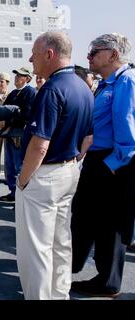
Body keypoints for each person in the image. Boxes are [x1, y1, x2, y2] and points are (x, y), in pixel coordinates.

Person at [15, 31, 94, 300]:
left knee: (35, 248)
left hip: (44, 176)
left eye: (35, 54)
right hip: (70, 171)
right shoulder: (83, 86)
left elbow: (39, 145)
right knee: (61, 242)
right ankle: (59, 294)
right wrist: (73, 162)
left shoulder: (51, 89)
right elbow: (89, 137)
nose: (31, 59)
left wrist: (23, 180)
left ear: (49, 54)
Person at [70, 33, 135, 298]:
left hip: (114, 163)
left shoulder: (126, 82)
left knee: (110, 225)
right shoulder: (107, 83)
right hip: (100, 159)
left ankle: (108, 282)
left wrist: (110, 166)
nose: (89, 57)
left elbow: (128, 133)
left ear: (113, 54)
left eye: (94, 52)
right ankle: (74, 264)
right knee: (86, 216)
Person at [0, 67, 36, 202]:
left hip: (20, 134)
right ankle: (13, 193)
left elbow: (27, 114)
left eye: (20, 76)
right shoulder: (13, 93)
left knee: (19, 165)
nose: (17, 78)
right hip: (9, 133)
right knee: (10, 165)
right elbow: (4, 109)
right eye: (16, 76)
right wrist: (3, 120)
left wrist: (9, 118)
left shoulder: (30, 93)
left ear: (27, 79)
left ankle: (22, 197)